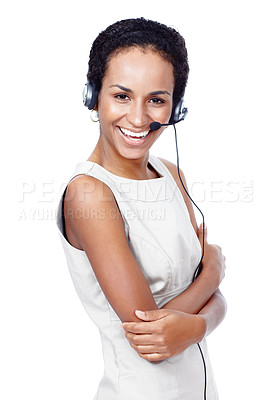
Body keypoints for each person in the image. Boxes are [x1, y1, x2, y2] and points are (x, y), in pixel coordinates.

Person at [56, 17, 227, 400]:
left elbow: (197, 312)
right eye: (121, 96)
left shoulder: (171, 174)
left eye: (156, 99)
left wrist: (199, 317)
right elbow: (151, 335)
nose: (137, 118)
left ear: (175, 107)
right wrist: (214, 274)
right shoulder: (90, 194)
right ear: (93, 96)